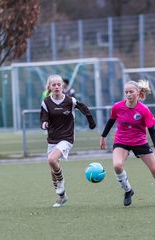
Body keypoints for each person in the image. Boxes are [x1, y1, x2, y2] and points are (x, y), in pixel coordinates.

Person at [100, 80, 155, 207]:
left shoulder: (144, 110)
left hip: (140, 142)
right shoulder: (117, 107)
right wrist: (103, 136)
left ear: (138, 93)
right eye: (126, 92)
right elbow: (111, 121)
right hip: (121, 141)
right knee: (117, 165)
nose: (128, 94)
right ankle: (128, 190)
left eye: (131, 92)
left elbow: (152, 131)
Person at [40, 75, 96, 208]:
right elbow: (43, 118)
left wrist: (91, 122)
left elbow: (85, 109)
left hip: (67, 137)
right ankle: (62, 196)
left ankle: (61, 183)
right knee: (53, 169)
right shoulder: (46, 102)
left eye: (59, 84)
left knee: (52, 160)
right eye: (53, 85)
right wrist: (44, 124)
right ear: (49, 87)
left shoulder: (70, 101)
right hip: (52, 138)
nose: (57, 86)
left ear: (62, 86)